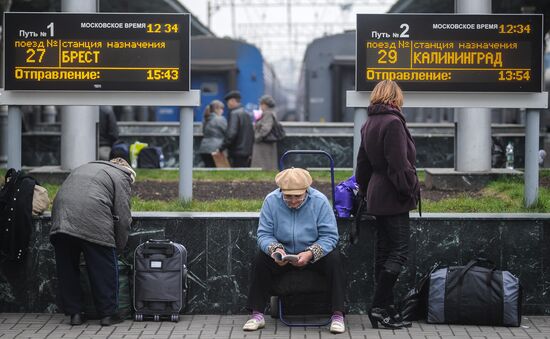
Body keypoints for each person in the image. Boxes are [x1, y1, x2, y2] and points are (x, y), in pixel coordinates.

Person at [243, 167, 346, 334]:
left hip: (311, 254)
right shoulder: (271, 201)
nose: (293, 201)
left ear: (306, 191)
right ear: (281, 191)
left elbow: (330, 236)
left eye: (297, 196)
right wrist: (275, 250)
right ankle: (257, 314)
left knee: (334, 259)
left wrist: (311, 253)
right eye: (288, 196)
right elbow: (264, 234)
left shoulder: (319, 201)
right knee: (260, 259)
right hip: (283, 255)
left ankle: (338, 314)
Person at [355, 80, 419, 329]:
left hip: (376, 192)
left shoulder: (369, 122)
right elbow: (399, 164)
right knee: (399, 252)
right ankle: (379, 307)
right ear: (395, 98)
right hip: (394, 195)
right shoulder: (393, 122)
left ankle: (387, 308)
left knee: (383, 253)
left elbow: (362, 164)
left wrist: (364, 188)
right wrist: (410, 188)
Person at [49, 158, 135, 326]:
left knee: (67, 268)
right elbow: (123, 218)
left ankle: (75, 314)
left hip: (61, 217)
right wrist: (118, 247)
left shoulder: (86, 167)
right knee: (104, 268)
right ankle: (108, 314)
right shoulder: (122, 175)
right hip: (92, 217)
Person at [217, 90, 254, 167]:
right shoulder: (246, 113)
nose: (227, 104)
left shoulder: (234, 114)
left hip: (236, 152)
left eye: (228, 102)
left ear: (233, 101)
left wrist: (221, 148)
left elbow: (231, 133)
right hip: (246, 151)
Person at [251, 95, 279, 170]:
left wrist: (257, 137)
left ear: (265, 104)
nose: (260, 106)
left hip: (264, 145)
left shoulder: (268, 114)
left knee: (263, 165)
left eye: (261, 104)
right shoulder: (271, 113)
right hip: (266, 144)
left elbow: (266, 128)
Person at [197, 100, 227, 167]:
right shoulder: (220, 119)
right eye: (221, 109)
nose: (223, 111)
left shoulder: (205, 119)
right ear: (216, 109)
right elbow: (228, 133)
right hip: (216, 149)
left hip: (204, 149)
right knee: (218, 170)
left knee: (209, 170)